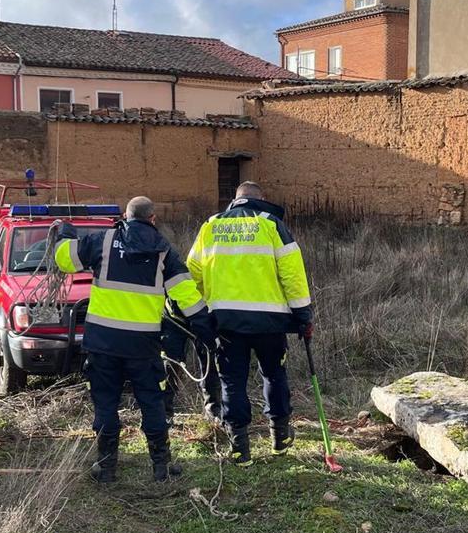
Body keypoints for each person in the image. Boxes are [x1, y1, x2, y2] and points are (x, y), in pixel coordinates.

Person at [54, 196, 214, 483]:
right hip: (143, 346)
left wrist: (65, 233)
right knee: (152, 403)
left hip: (102, 343)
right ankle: (161, 468)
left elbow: (64, 259)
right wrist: (207, 331)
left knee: (105, 404)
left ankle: (106, 468)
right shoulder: (163, 251)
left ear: (125, 217)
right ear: (153, 220)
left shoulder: (102, 241)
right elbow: (187, 297)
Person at [186, 181, 312, 467]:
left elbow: (192, 272)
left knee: (232, 382)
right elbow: (292, 274)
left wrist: (195, 313)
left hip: (225, 321)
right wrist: (303, 316)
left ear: (235, 199)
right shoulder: (271, 225)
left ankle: (240, 448)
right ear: (261, 199)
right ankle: (279, 437)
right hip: (269, 321)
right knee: (274, 375)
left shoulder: (211, 225)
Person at [160, 298, 222, 427]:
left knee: (209, 362)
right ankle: (164, 413)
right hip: (174, 317)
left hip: (204, 316)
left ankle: (213, 411)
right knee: (170, 364)